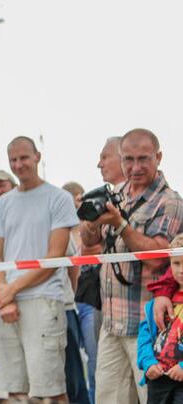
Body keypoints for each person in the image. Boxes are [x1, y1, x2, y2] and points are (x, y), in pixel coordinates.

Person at [80, 128, 183, 404]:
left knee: (155, 399)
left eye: (143, 159)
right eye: (128, 159)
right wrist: (91, 219)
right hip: (112, 323)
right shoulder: (117, 194)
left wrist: (119, 224)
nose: (135, 167)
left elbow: (157, 257)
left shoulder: (169, 201)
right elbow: (91, 244)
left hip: (150, 327)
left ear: (158, 157)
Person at [0, 136, 79, 402]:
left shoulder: (59, 198)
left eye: (24, 158)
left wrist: (10, 290)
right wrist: (3, 296)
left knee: (50, 391)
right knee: (15, 390)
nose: (19, 165)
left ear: (37, 156)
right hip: (5, 302)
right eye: (13, 160)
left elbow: (54, 256)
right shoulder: (4, 203)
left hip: (42, 301)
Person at [74, 137, 125, 404]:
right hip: (103, 302)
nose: (99, 164)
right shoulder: (105, 197)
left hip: (139, 306)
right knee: (102, 377)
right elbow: (88, 245)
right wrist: (89, 218)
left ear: (123, 157)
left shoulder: (154, 199)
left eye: (104, 157)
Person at [137, 236, 183, 404]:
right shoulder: (156, 303)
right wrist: (148, 362)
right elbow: (145, 336)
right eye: (176, 263)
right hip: (158, 379)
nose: (181, 270)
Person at [62, 181, 91, 404]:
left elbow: (76, 267)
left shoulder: (87, 224)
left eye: (79, 200)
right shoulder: (63, 228)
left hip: (86, 301)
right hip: (72, 301)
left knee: (90, 359)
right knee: (72, 364)